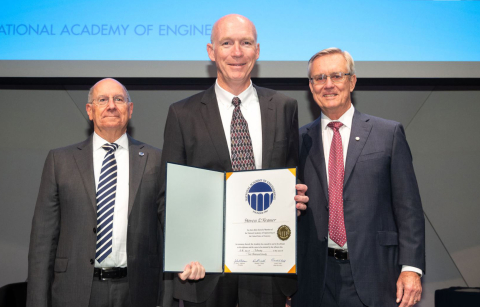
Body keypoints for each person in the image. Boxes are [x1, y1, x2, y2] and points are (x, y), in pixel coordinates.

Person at [159, 14, 308, 307]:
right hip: (205, 272)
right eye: (226, 43)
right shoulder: (182, 114)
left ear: (258, 50)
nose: (237, 52)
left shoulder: (284, 108)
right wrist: (186, 253)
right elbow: (170, 197)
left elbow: (293, 175)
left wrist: (296, 197)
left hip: (267, 268)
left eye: (246, 43)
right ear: (211, 51)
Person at [293, 48, 425, 307]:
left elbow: (408, 208)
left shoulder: (388, 134)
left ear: (352, 81)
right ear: (310, 86)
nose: (328, 85)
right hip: (313, 279)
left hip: (375, 274)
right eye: (319, 78)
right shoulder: (296, 141)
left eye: (336, 76)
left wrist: (411, 268)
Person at [27, 78, 164, 307]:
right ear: (90, 111)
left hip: (137, 292)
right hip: (75, 292)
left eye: (118, 99)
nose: (111, 105)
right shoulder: (60, 161)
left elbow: (167, 233)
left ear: (130, 110)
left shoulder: (156, 160)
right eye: (103, 100)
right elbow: (43, 241)